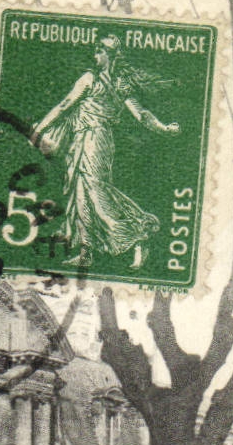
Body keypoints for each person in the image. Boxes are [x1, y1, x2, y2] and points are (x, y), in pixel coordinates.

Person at [32, 34, 181, 269]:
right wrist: (163, 128)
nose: (95, 56)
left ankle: (138, 234)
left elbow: (64, 106)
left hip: (96, 139)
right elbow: (141, 114)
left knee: (96, 192)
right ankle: (86, 251)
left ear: (109, 55)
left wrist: (38, 130)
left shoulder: (94, 80)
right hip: (84, 140)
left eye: (99, 51)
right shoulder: (112, 83)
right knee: (81, 192)